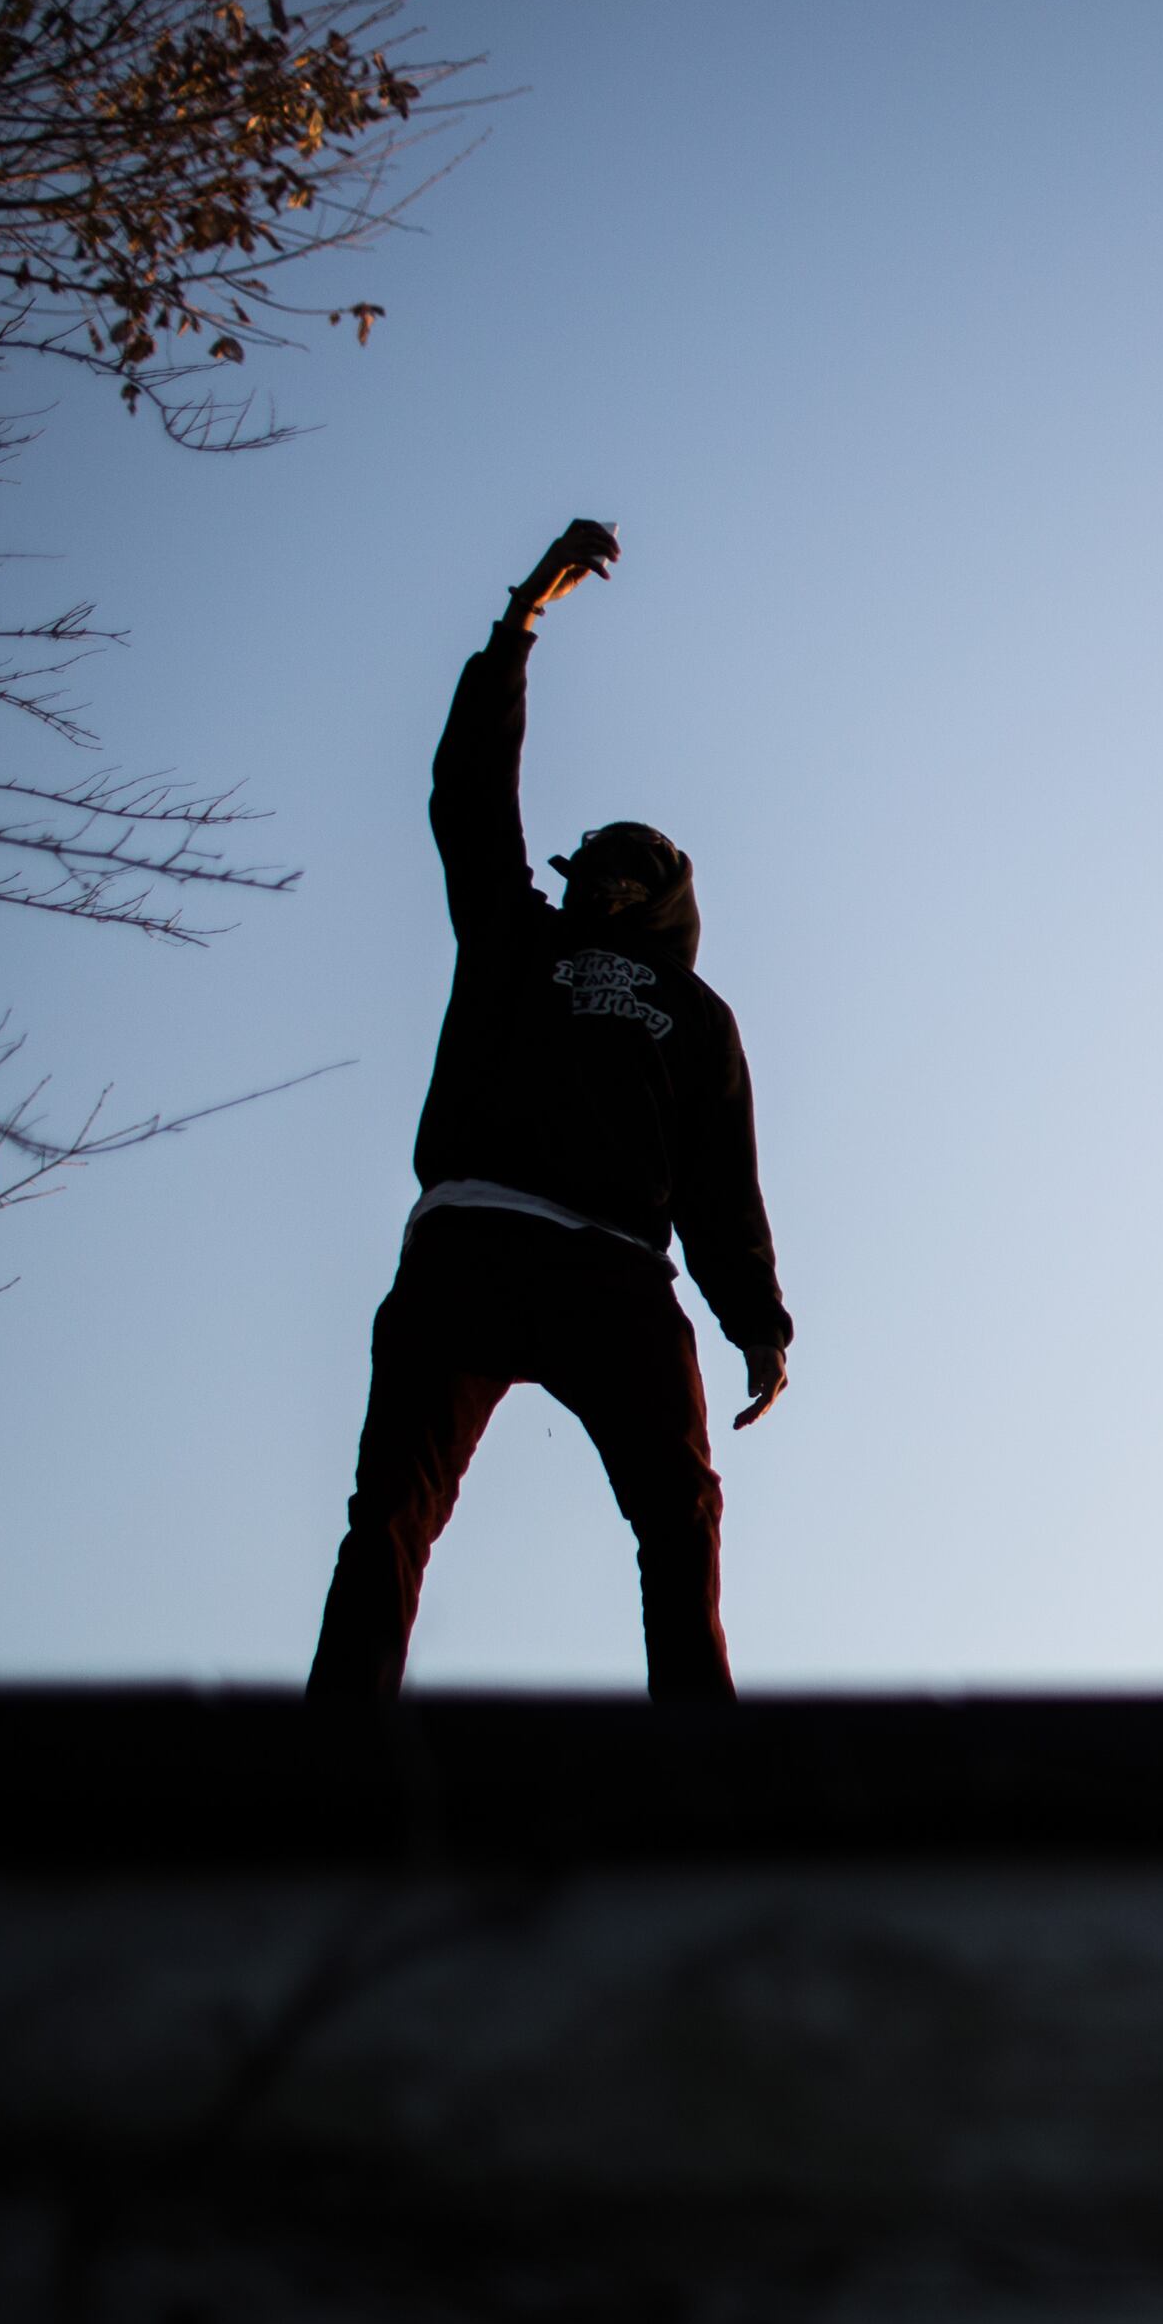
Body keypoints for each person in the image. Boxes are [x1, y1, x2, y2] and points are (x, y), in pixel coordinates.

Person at [307, 521, 791, 1703]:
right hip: (474, 1240)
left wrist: (756, 1318)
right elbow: (469, 799)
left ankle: (700, 1747)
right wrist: (518, 625)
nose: (605, 887)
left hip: (612, 1273)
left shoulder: (695, 1014)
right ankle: (337, 1740)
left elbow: (719, 1178)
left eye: (629, 876)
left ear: (662, 900)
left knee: (681, 1511)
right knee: (392, 1511)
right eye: (595, 870)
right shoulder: (513, 934)